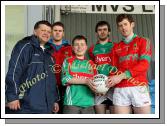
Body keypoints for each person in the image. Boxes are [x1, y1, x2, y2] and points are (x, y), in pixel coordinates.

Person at [5, 20, 60, 114]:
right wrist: (12, 97)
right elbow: (14, 71)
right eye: (43, 30)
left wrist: (54, 100)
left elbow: (52, 79)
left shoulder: (49, 53)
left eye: (49, 32)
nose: (46, 33)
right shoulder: (24, 46)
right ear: (35, 32)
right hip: (26, 106)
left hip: (46, 106)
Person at [107, 14, 152, 114]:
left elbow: (144, 64)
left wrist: (122, 76)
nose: (123, 27)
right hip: (120, 88)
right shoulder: (115, 47)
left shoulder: (144, 41)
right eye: (120, 25)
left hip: (139, 86)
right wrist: (106, 83)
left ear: (132, 24)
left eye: (125, 24)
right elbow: (113, 70)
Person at [61, 35, 97, 114]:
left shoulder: (91, 64)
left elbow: (96, 82)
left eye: (82, 44)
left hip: (89, 104)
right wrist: (85, 81)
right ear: (73, 48)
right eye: (76, 45)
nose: (79, 47)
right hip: (72, 104)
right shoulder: (68, 61)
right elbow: (66, 79)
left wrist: (101, 89)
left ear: (86, 47)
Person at [88, 21, 115, 114]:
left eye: (105, 29)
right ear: (96, 33)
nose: (102, 32)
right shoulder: (92, 49)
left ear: (109, 32)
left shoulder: (115, 46)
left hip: (113, 85)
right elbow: (89, 68)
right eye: (99, 30)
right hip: (99, 86)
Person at [49, 22, 73, 113]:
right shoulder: (46, 47)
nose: (57, 33)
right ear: (51, 32)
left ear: (63, 33)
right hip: (49, 85)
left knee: (64, 112)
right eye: (55, 30)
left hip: (65, 85)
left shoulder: (70, 48)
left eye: (60, 31)